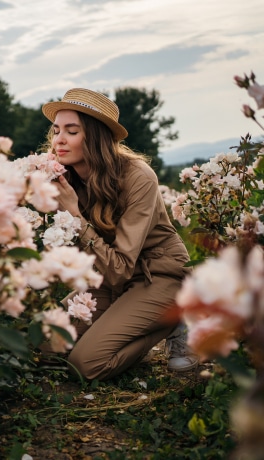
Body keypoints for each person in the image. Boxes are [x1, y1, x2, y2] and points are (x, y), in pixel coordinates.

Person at [40, 88, 198, 380]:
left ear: (96, 137)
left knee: (84, 365)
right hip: (106, 277)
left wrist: (74, 215)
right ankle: (132, 323)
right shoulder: (65, 177)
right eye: (56, 130)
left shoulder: (138, 177)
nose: (59, 140)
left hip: (156, 276)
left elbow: (120, 269)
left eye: (71, 131)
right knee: (41, 346)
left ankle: (172, 320)